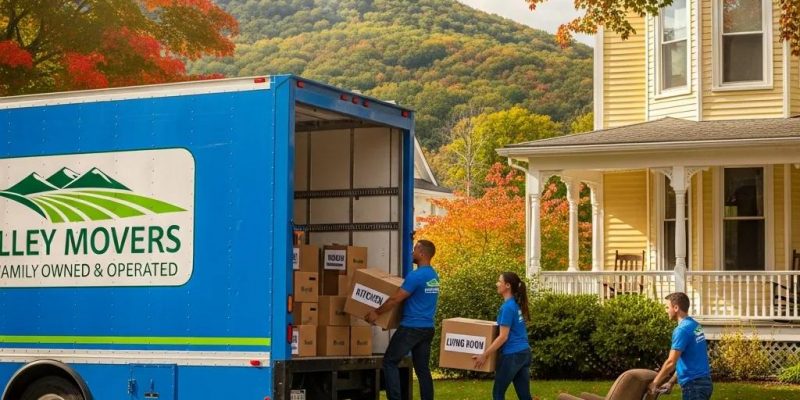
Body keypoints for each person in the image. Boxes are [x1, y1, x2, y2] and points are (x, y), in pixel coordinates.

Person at [365, 240, 439, 400]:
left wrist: (376, 313)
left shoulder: (416, 275)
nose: (412, 253)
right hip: (427, 328)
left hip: (412, 328)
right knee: (422, 369)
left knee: (390, 362)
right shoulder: (433, 276)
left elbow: (396, 299)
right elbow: (415, 302)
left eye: (414, 250)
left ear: (422, 253)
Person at [473, 272, 532, 400]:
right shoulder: (516, 305)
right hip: (524, 353)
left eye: (499, 281)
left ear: (508, 285)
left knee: (498, 393)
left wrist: (485, 354)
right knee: (524, 396)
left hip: (512, 355)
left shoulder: (507, 307)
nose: (497, 284)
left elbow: (503, 337)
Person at [649, 292, 712, 400]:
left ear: (676, 308)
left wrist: (655, 383)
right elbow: (689, 360)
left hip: (694, 386)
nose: (666, 311)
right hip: (703, 383)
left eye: (667, 307)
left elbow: (671, 362)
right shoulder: (695, 326)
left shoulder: (681, 330)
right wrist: (671, 382)